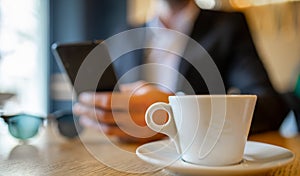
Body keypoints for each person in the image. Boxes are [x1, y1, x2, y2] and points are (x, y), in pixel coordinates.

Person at [73, 0, 290, 143]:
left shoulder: (228, 26)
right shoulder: (124, 33)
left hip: (195, 158)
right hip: (128, 159)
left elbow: (271, 106)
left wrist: (176, 114)